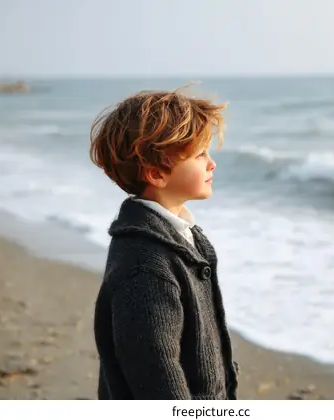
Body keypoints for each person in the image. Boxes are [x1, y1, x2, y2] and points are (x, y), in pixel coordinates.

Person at [88, 85, 239, 400]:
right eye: (200, 155)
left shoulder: (185, 236)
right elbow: (155, 372)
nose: (212, 164)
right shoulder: (145, 265)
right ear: (156, 174)